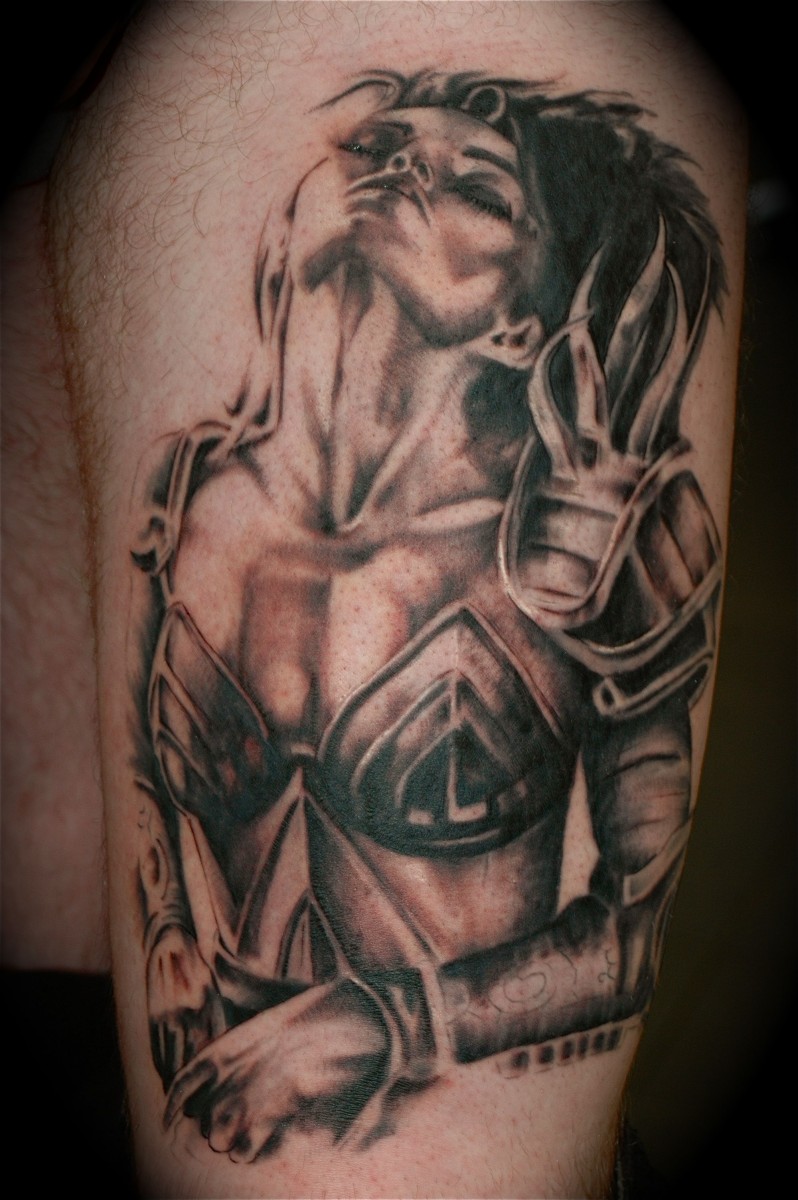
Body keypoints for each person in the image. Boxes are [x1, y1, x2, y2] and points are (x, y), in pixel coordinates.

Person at [43, 4, 745, 1195]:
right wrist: (165, 924)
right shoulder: (192, 490)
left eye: (480, 189)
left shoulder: (583, 548)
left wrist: (389, 1025)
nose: (408, 172)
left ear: (527, 315)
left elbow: (623, 938)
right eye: (384, 147)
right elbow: (148, 769)